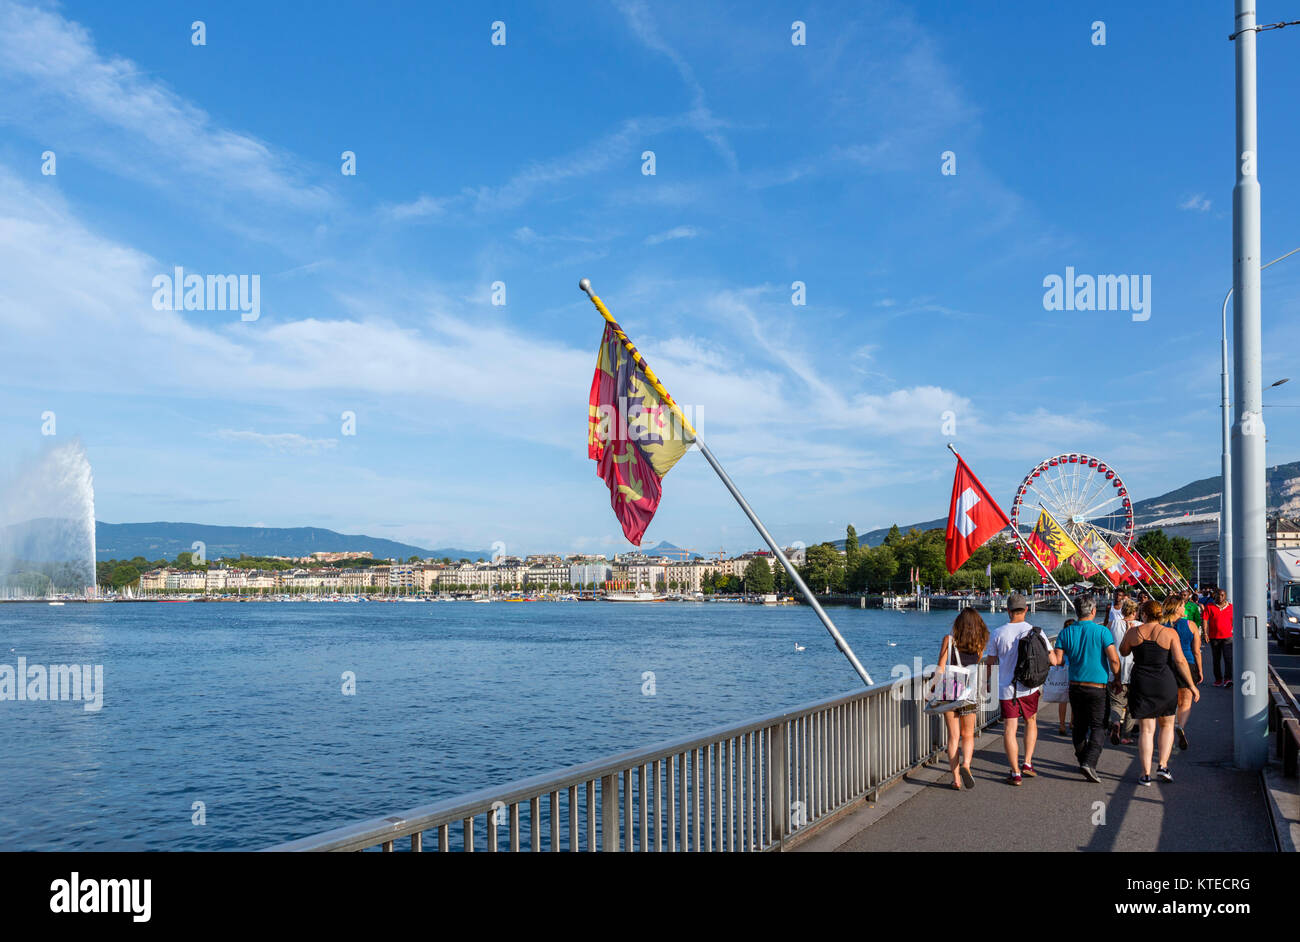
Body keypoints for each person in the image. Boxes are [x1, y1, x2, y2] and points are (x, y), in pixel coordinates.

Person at [1121, 599, 1199, 784]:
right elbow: (1180, 661)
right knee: (1167, 726)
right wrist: (1191, 685)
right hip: (1165, 682)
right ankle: (1163, 766)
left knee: (1147, 731)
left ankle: (1145, 774)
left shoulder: (1134, 632)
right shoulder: (1170, 633)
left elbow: (1123, 652)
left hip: (1142, 682)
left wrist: (1127, 635)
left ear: (1144, 614)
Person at [1049, 596, 1120, 782]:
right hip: (1097, 687)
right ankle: (1089, 762)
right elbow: (1113, 659)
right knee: (1099, 726)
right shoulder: (1102, 632)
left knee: (1079, 726)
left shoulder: (1066, 633)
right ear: (1094, 611)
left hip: (1075, 686)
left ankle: (1082, 759)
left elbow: (1057, 660)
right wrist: (1118, 678)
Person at [982, 593, 1045, 785]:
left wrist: (986, 683)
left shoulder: (998, 633)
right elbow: (1048, 657)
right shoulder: (1036, 631)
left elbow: (991, 662)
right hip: (1030, 687)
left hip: (1007, 688)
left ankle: (1015, 772)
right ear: (1026, 609)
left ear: (1007, 610)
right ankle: (1027, 762)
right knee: (1031, 721)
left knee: (1010, 728)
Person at [937, 607, 989, 790]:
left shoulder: (949, 640)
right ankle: (967, 764)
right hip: (969, 691)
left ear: (958, 624)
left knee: (953, 736)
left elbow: (941, 668)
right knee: (968, 734)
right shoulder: (980, 643)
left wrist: (933, 689)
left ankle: (956, 779)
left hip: (951, 690)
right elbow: (975, 664)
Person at [1162, 594, 1202, 750]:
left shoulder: (1162, 625)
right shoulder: (1191, 625)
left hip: (1167, 664)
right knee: (1186, 700)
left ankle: (1169, 731)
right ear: (1177, 608)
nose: (1185, 608)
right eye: (1183, 606)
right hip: (1187, 664)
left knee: (1170, 700)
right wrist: (1200, 670)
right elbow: (1196, 651)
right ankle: (1180, 725)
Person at [1108, 598, 1139, 745]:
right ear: (1134, 612)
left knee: (1116, 702)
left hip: (1115, 670)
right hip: (1134, 670)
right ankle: (1126, 735)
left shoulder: (1112, 624)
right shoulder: (1140, 626)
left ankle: (1115, 723)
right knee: (1132, 705)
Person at [1043, 618, 1074, 735]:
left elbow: (1057, 654)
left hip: (1062, 669)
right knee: (1073, 700)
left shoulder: (1062, 636)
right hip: (1073, 669)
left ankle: (1062, 725)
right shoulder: (1076, 637)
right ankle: (1072, 722)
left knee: (1063, 700)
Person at [1203, 588, 1234, 687]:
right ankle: (1218, 679)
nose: (1220, 597)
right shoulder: (1209, 606)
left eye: (1222, 595)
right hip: (1214, 637)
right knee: (1216, 659)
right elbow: (1205, 620)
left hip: (1228, 637)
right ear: (1214, 596)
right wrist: (1206, 634)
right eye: (1218, 595)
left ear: (1225, 596)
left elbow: (1235, 621)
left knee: (1228, 659)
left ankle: (1228, 679)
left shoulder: (1231, 607)